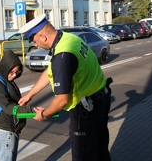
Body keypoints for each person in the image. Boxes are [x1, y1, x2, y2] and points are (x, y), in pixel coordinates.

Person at [18, 14, 112, 161]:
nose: (35, 45)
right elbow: (50, 71)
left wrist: (44, 114)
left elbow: (61, 100)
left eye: (33, 40)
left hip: (85, 111)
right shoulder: (68, 39)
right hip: (101, 99)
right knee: (100, 151)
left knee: (84, 156)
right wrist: (30, 94)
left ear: (42, 36)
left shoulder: (62, 55)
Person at [0, 49, 34, 161]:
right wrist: (29, 111)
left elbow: (12, 101)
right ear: (4, 68)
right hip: (5, 130)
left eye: (17, 72)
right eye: (11, 72)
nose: (14, 75)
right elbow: (7, 107)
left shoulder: (7, 81)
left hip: (11, 128)